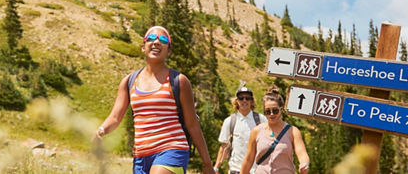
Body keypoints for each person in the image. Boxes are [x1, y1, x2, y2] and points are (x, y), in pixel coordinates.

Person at [96, 25, 216, 174]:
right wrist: (101, 131)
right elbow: (115, 117)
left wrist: (207, 163)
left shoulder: (179, 81)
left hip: (172, 149)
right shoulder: (129, 82)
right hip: (140, 157)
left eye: (163, 40)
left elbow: (192, 124)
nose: (156, 42)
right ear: (143, 46)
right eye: (151, 38)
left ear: (169, 50)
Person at [238, 88, 310, 174]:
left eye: (275, 111)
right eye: (268, 111)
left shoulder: (293, 131)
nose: (272, 114)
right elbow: (248, 160)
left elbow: (302, 153)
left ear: (281, 109)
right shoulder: (256, 131)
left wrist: (304, 164)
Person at [215, 85, 266, 174]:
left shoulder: (261, 119)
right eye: (241, 98)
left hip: (256, 170)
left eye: (247, 98)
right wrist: (216, 167)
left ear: (252, 101)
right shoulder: (230, 121)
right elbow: (224, 146)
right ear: (237, 101)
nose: (244, 100)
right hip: (235, 170)